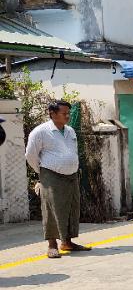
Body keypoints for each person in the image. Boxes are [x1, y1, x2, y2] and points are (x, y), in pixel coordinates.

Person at [25, 100, 91, 259]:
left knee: (71, 208)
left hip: (71, 175)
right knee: (52, 209)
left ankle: (67, 242)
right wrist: (42, 172)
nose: (67, 116)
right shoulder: (40, 132)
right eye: (64, 113)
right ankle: (52, 245)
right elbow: (30, 155)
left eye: (68, 113)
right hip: (51, 175)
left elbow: (73, 151)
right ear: (52, 114)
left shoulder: (70, 131)